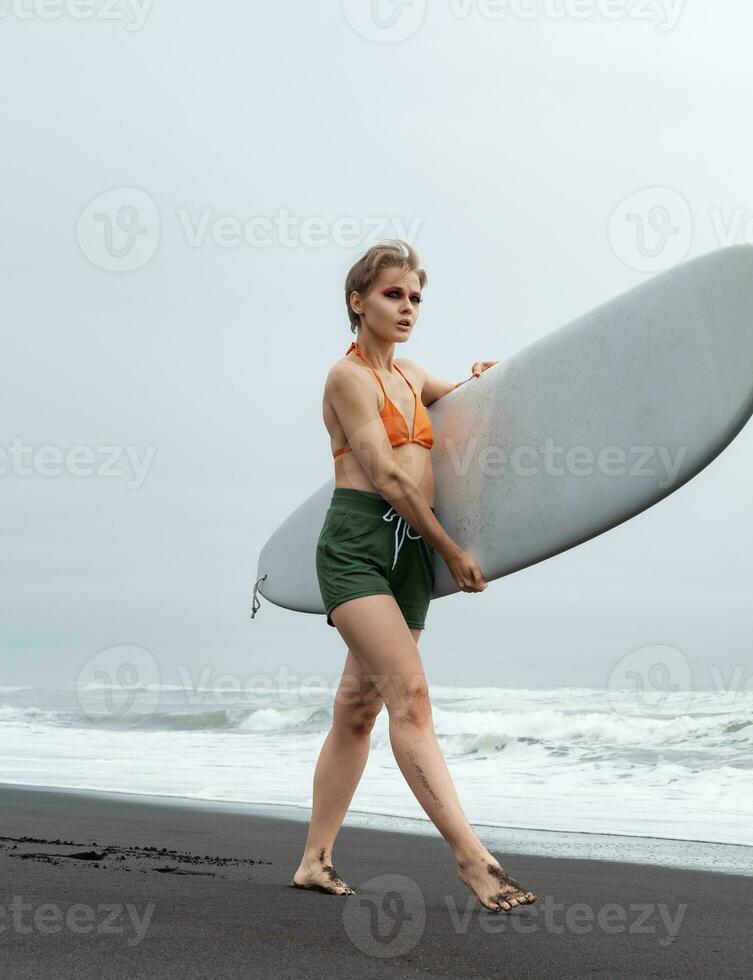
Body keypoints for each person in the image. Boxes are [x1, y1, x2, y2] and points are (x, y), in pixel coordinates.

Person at [289, 239, 536, 914]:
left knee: (358, 710)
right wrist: (452, 550)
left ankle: (314, 860)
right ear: (357, 302)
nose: (406, 307)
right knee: (411, 699)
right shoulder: (348, 380)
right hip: (357, 547)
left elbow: (471, 401)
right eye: (392, 294)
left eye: (416, 297)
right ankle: (472, 859)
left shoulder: (412, 377)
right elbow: (391, 477)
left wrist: (483, 378)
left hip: (408, 559)